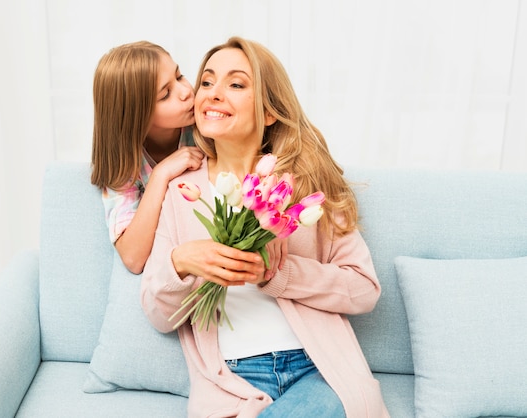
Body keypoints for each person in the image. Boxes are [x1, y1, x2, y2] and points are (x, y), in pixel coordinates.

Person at [141, 37, 390, 417]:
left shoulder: (306, 186)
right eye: (206, 82)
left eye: (236, 84)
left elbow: (364, 289)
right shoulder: (181, 192)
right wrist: (181, 262)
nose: (213, 94)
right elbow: (159, 316)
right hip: (233, 383)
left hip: (318, 371)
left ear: (270, 112)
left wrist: (279, 274)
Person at [90, 41, 204, 274]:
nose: (186, 91)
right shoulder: (124, 162)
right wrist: (162, 173)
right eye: (165, 94)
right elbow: (133, 258)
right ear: (135, 116)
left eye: (180, 76)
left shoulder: (204, 127)